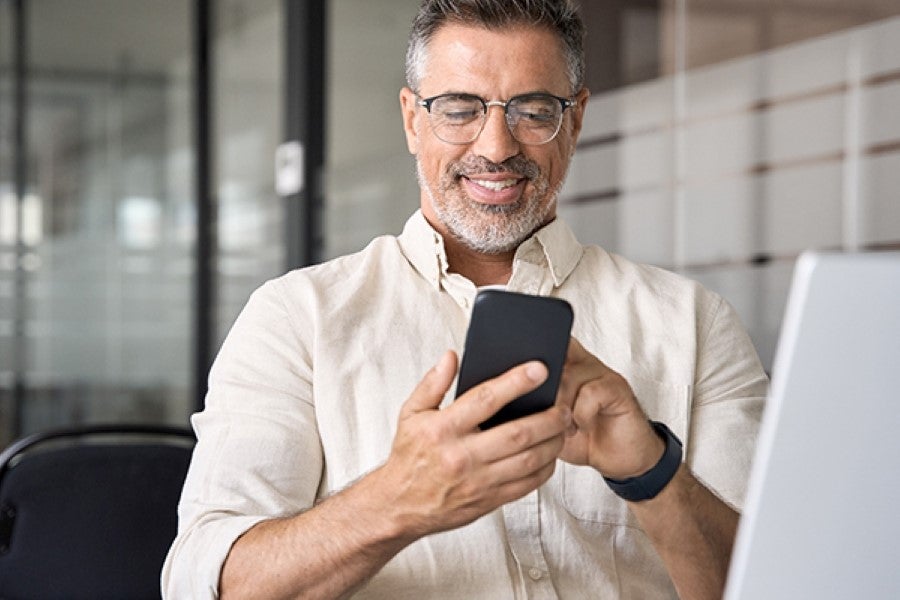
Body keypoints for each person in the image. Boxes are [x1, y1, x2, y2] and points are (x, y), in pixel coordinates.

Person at [162, 1, 768, 598]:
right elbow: (203, 583)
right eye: (459, 110)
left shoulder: (693, 322)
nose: (498, 146)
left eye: (533, 111)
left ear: (576, 120)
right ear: (411, 119)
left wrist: (653, 472)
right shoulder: (297, 318)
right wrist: (396, 499)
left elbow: (781, 579)